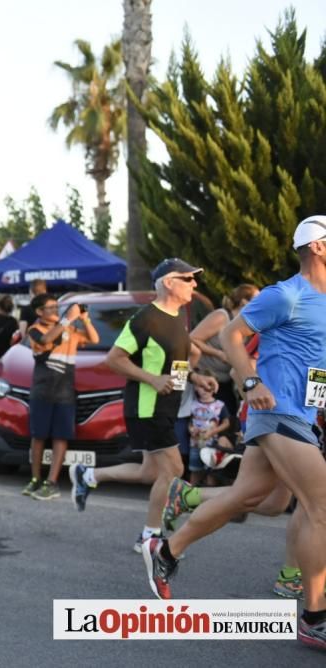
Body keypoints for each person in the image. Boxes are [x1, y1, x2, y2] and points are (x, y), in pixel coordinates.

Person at [141, 217, 326, 650]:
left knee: (253, 497)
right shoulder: (288, 293)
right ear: (317, 246)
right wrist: (248, 381)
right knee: (322, 503)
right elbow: (231, 333)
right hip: (275, 409)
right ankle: (315, 615)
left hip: (301, 414)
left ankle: (165, 552)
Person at [70, 258, 217, 552]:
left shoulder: (178, 317)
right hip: (146, 408)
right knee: (173, 469)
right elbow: (114, 359)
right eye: (188, 279)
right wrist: (151, 379)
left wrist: (194, 378)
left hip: (166, 406)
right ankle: (149, 537)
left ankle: (88, 475)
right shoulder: (145, 318)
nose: (194, 284)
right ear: (168, 282)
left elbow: (172, 364)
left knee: (151, 472)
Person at [22, 294, 98, 499]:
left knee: (60, 436)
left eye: (57, 306)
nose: (56, 310)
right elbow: (46, 340)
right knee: (38, 436)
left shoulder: (70, 329)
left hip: (65, 392)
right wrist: (67, 319)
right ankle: (35, 478)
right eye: (51, 307)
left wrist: (85, 320)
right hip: (42, 391)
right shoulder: (34, 329)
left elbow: (94, 339)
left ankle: (52, 481)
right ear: (39, 312)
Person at [189, 283, 260, 424]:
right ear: (244, 301)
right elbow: (192, 338)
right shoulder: (222, 316)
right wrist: (219, 354)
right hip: (204, 377)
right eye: (256, 299)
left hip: (225, 380)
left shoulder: (248, 326)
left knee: (228, 418)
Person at [186, 373, 231, 486]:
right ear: (196, 387)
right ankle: (189, 492)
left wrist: (212, 432)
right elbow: (190, 422)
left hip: (212, 445)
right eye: (202, 386)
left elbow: (226, 423)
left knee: (211, 472)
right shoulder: (193, 404)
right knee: (195, 470)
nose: (205, 389)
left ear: (215, 387)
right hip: (195, 444)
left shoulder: (219, 405)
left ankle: (209, 495)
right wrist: (191, 429)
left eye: (209, 386)